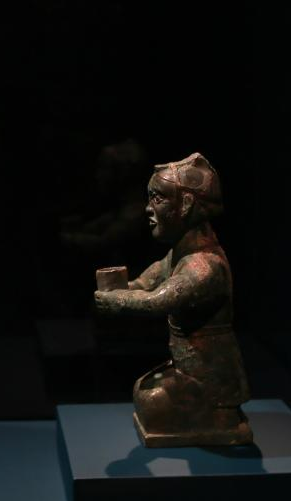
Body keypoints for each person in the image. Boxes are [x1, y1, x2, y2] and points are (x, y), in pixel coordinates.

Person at [94, 153, 251, 447]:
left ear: (186, 204)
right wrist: (120, 287)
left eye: (157, 199)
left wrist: (118, 301)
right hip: (187, 369)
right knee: (143, 392)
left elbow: (157, 301)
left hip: (211, 380)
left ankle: (222, 418)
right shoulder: (178, 255)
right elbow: (145, 283)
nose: (148, 208)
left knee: (149, 401)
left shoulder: (204, 265)